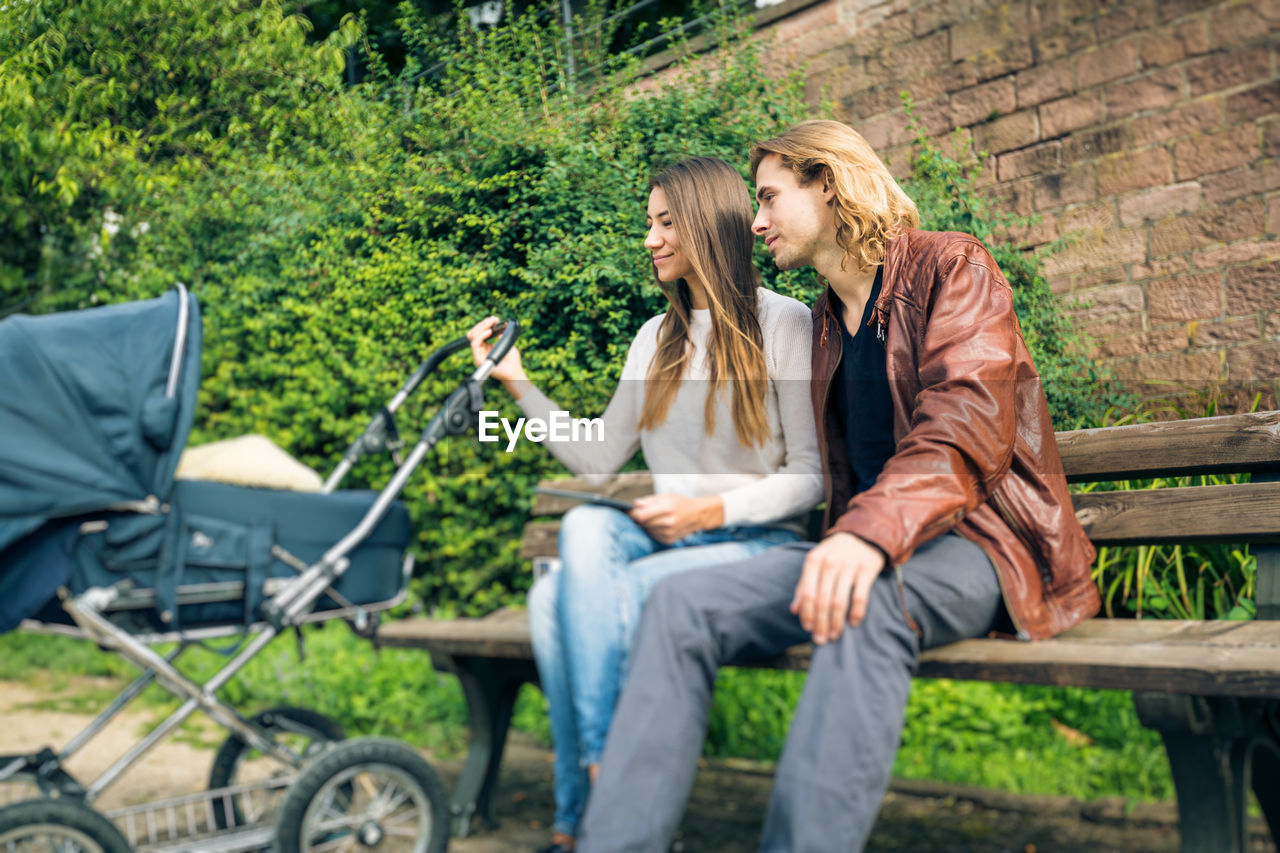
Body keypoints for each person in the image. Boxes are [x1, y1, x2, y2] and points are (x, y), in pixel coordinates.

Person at [575, 120, 1101, 852]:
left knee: (866, 601)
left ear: (828, 184)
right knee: (678, 602)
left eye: (767, 199)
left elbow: (965, 426)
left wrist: (864, 534)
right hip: (863, 540)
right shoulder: (822, 319)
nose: (753, 223)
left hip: (976, 541)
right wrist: (852, 534)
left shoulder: (953, 266)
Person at [466, 156, 824, 853]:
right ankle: (602, 787)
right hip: (673, 543)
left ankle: (587, 812)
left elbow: (810, 478)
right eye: (649, 224)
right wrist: (518, 383)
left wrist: (707, 512)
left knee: (554, 602)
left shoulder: (786, 324)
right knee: (582, 536)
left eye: (665, 223)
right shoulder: (653, 341)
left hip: (757, 546)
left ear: (704, 224)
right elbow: (599, 455)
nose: (650, 239)